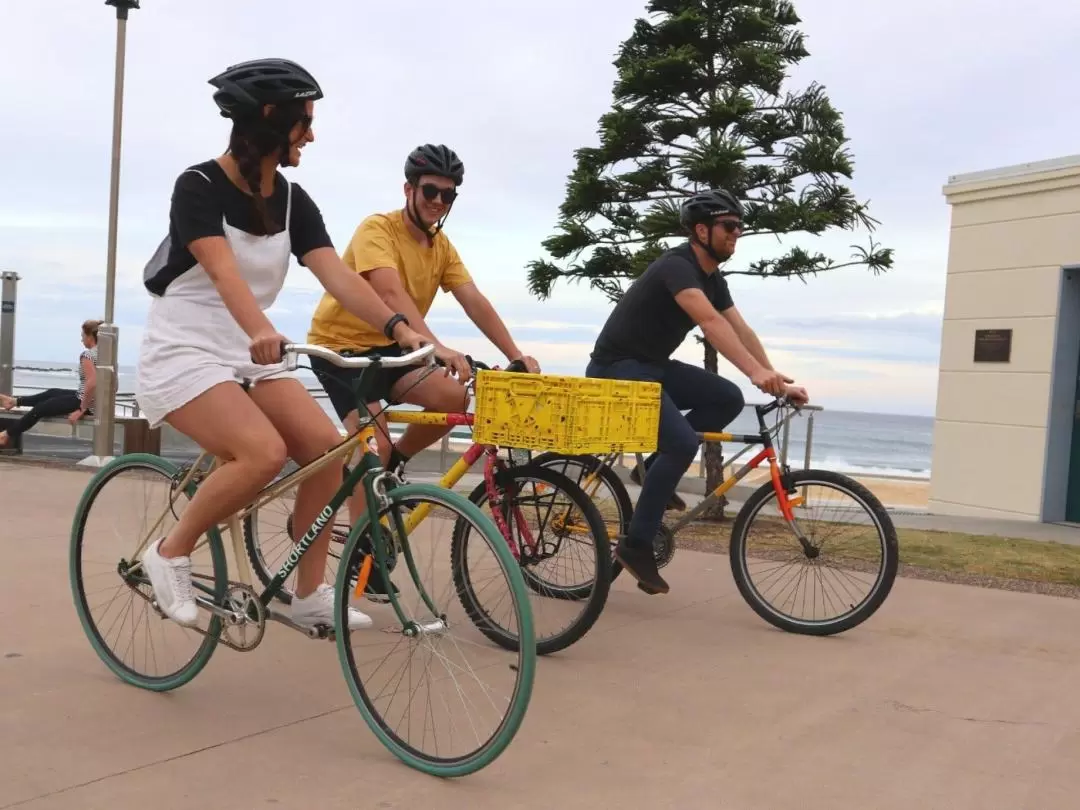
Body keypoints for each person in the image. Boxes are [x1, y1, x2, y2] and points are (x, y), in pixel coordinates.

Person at [134, 58, 427, 631]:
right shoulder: (197, 186)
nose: (311, 135)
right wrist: (261, 330)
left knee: (331, 452)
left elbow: (339, 277)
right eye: (304, 122)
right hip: (185, 350)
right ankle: (169, 551)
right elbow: (223, 273)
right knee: (263, 454)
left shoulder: (294, 201)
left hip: (249, 355)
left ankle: (311, 592)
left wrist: (402, 330)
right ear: (270, 118)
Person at [305, 144, 539, 598]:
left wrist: (515, 354)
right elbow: (389, 292)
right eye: (430, 191)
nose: (437, 201)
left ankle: (397, 463)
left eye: (448, 196)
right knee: (372, 448)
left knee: (452, 398)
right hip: (343, 353)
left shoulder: (441, 246)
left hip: (394, 350)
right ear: (408, 188)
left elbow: (474, 299)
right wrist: (436, 347)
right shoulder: (378, 228)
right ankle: (363, 552)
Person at [585, 188, 810, 595]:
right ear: (701, 230)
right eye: (729, 225)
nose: (736, 232)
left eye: (740, 226)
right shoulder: (678, 266)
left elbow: (740, 328)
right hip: (615, 370)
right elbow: (709, 322)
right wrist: (755, 371)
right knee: (681, 443)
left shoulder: (712, 277)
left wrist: (774, 375)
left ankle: (652, 469)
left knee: (726, 398)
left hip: (651, 367)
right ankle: (636, 545)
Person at [0, 319, 102, 447]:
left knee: (40, 408)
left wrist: (81, 409)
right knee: (52, 392)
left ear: (90, 336)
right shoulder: (104, 354)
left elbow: (92, 383)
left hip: (86, 402)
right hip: (95, 401)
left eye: (82, 336)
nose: (81, 340)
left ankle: (6, 435)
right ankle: (14, 402)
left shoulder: (87, 355)